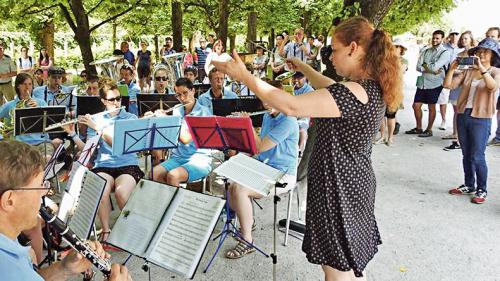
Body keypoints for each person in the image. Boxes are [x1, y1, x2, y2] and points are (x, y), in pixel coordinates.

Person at [212, 16, 402, 280]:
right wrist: (303, 67)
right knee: (352, 260)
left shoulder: (351, 94)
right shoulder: (365, 89)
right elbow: (329, 86)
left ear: (354, 48)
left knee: (337, 270)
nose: (331, 57)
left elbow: (291, 106)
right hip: (353, 183)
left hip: (338, 188)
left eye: (334, 50)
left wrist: (246, 76)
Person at [0, 140, 131, 281]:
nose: (45, 192)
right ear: (9, 201)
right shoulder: (10, 269)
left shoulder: (8, 241)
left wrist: (64, 268)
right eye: (39, 186)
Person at [63, 78, 144, 244]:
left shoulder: (129, 117)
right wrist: (72, 134)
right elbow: (89, 150)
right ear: (103, 101)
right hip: (104, 165)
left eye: (118, 98)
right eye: (112, 99)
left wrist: (97, 127)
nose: (116, 102)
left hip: (127, 164)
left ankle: (132, 228)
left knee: (122, 192)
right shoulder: (97, 119)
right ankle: (106, 230)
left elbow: (119, 144)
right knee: (101, 190)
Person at [225, 80, 299, 259]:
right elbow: (257, 150)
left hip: (283, 173)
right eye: (264, 100)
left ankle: (247, 240)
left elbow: (261, 146)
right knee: (229, 182)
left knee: (240, 190)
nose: (266, 104)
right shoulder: (268, 116)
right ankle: (248, 220)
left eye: (271, 100)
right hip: (264, 165)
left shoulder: (288, 121)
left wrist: (248, 125)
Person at [445, 38, 500, 204]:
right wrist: (452, 69)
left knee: (477, 155)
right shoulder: (468, 70)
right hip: (463, 114)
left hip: (481, 118)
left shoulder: (495, 71)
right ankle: (469, 184)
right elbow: (448, 85)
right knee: (466, 154)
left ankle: (482, 189)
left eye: (485, 51)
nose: (481, 53)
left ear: (493, 55)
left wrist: (482, 69)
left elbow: (492, 87)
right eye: (479, 51)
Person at [152, 78, 212, 186]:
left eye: (185, 93)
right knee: (153, 174)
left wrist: (166, 119)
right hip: (178, 157)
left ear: (193, 91)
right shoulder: (177, 110)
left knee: (173, 176)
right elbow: (172, 135)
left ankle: (176, 201)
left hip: (198, 159)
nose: (183, 98)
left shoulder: (204, 112)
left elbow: (186, 139)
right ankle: (167, 200)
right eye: (178, 95)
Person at [406, 30, 450, 137]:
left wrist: (426, 66)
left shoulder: (445, 53)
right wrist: (429, 68)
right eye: (434, 37)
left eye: (437, 38)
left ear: (442, 39)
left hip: (435, 83)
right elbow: (418, 67)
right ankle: (419, 127)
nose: (435, 40)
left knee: (431, 106)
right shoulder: (426, 51)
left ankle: (429, 129)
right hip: (422, 82)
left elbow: (435, 67)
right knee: (416, 105)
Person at [0, 73, 54, 156]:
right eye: (24, 84)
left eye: (30, 84)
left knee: (47, 157)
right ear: (18, 86)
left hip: (42, 142)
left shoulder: (41, 102)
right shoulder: (10, 105)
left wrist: (39, 109)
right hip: (21, 144)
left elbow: (50, 123)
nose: (27, 87)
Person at [444, 31, 476, 150]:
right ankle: (455, 134)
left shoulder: (475, 54)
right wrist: (457, 71)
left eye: (466, 38)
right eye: (462, 39)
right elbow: (451, 68)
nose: (463, 40)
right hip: (456, 85)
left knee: (464, 111)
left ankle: (462, 139)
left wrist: (460, 71)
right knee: (456, 111)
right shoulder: (458, 53)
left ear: (471, 39)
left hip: (468, 87)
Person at [375, 38, 408, 145]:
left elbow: (399, 71)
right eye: (394, 46)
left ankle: (390, 138)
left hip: (394, 90)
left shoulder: (403, 61)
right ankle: (382, 136)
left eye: (398, 46)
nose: (395, 48)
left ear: (401, 49)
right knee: (381, 115)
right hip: (382, 88)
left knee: (391, 115)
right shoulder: (384, 59)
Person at [438, 31, 462, 131]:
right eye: (452, 35)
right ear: (449, 36)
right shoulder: (444, 47)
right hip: (444, 76)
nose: (454, 37)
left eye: (456, 35)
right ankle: (443, 120)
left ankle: (456, 128)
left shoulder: (461, 49)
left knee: (455, 103)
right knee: (443, 100)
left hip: (457, 77)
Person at [291, 72, 313, 153]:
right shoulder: (291, 87)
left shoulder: (309, 90)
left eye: (299, 78)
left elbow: (307, 109)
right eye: (294, 78)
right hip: (291, 113)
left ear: (305, 78)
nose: (296, 81)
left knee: (301, 127)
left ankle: (300, 150)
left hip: (303, 115)